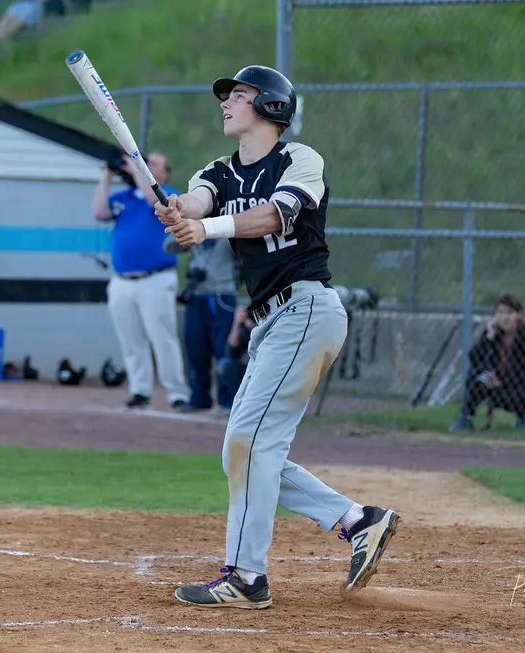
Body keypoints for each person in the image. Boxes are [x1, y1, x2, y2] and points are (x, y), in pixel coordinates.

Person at [154, 65, 400, 609]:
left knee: (247, 441)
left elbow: (277, 217)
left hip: (308, 309)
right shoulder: (218, 171)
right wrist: (180, 210)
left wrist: (209, 228)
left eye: (239, 96)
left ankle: (247, 577)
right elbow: (198, 201)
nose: (226, 104)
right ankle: (357, 519)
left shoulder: (299, 160)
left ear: (270, 108)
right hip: (271, 321)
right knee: (244, 450)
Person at [91, 154, 191, 411]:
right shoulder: (124, 198)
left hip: (156, 278)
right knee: (131, 338)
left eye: (153, 164)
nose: (147, 166)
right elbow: (99, 212)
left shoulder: (167, 195)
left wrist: (137, 168)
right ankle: (139, 390)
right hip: (123, 280)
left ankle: (177, 392)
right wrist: (107, 174)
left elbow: (152, 198)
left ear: (165, 174)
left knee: (163, 337)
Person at [449, 293, 525, 432]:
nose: (504, 317)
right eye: (500, 312)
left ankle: (524, 416)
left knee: (521, 392)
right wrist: (488, 338)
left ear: (519, 315)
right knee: (475, 376)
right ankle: (466, 418)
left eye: (509, 313)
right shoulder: (494, 334)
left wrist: (502, 379)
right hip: (500, 383)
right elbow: (475, 358)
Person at [164, 234, 240, 412]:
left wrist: (221, 233)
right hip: (196, 296)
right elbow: (168, 247)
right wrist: (193, 233)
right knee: (196, 348)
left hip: (223, 296)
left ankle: (228, 400)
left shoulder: (228, 238)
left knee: (224, 349)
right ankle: (199, 397)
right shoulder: (196, 233)